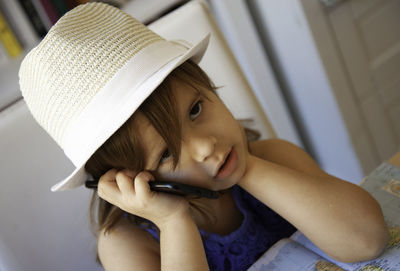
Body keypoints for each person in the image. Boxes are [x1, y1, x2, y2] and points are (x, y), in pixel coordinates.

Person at [19, 2, 388, 271]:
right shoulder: (126, 244)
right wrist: (174, 222)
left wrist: (249, 169)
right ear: (126, 180)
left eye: (195, 109)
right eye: (165, 154)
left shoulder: (272, 157)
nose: (205, 145)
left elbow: (367, 239)